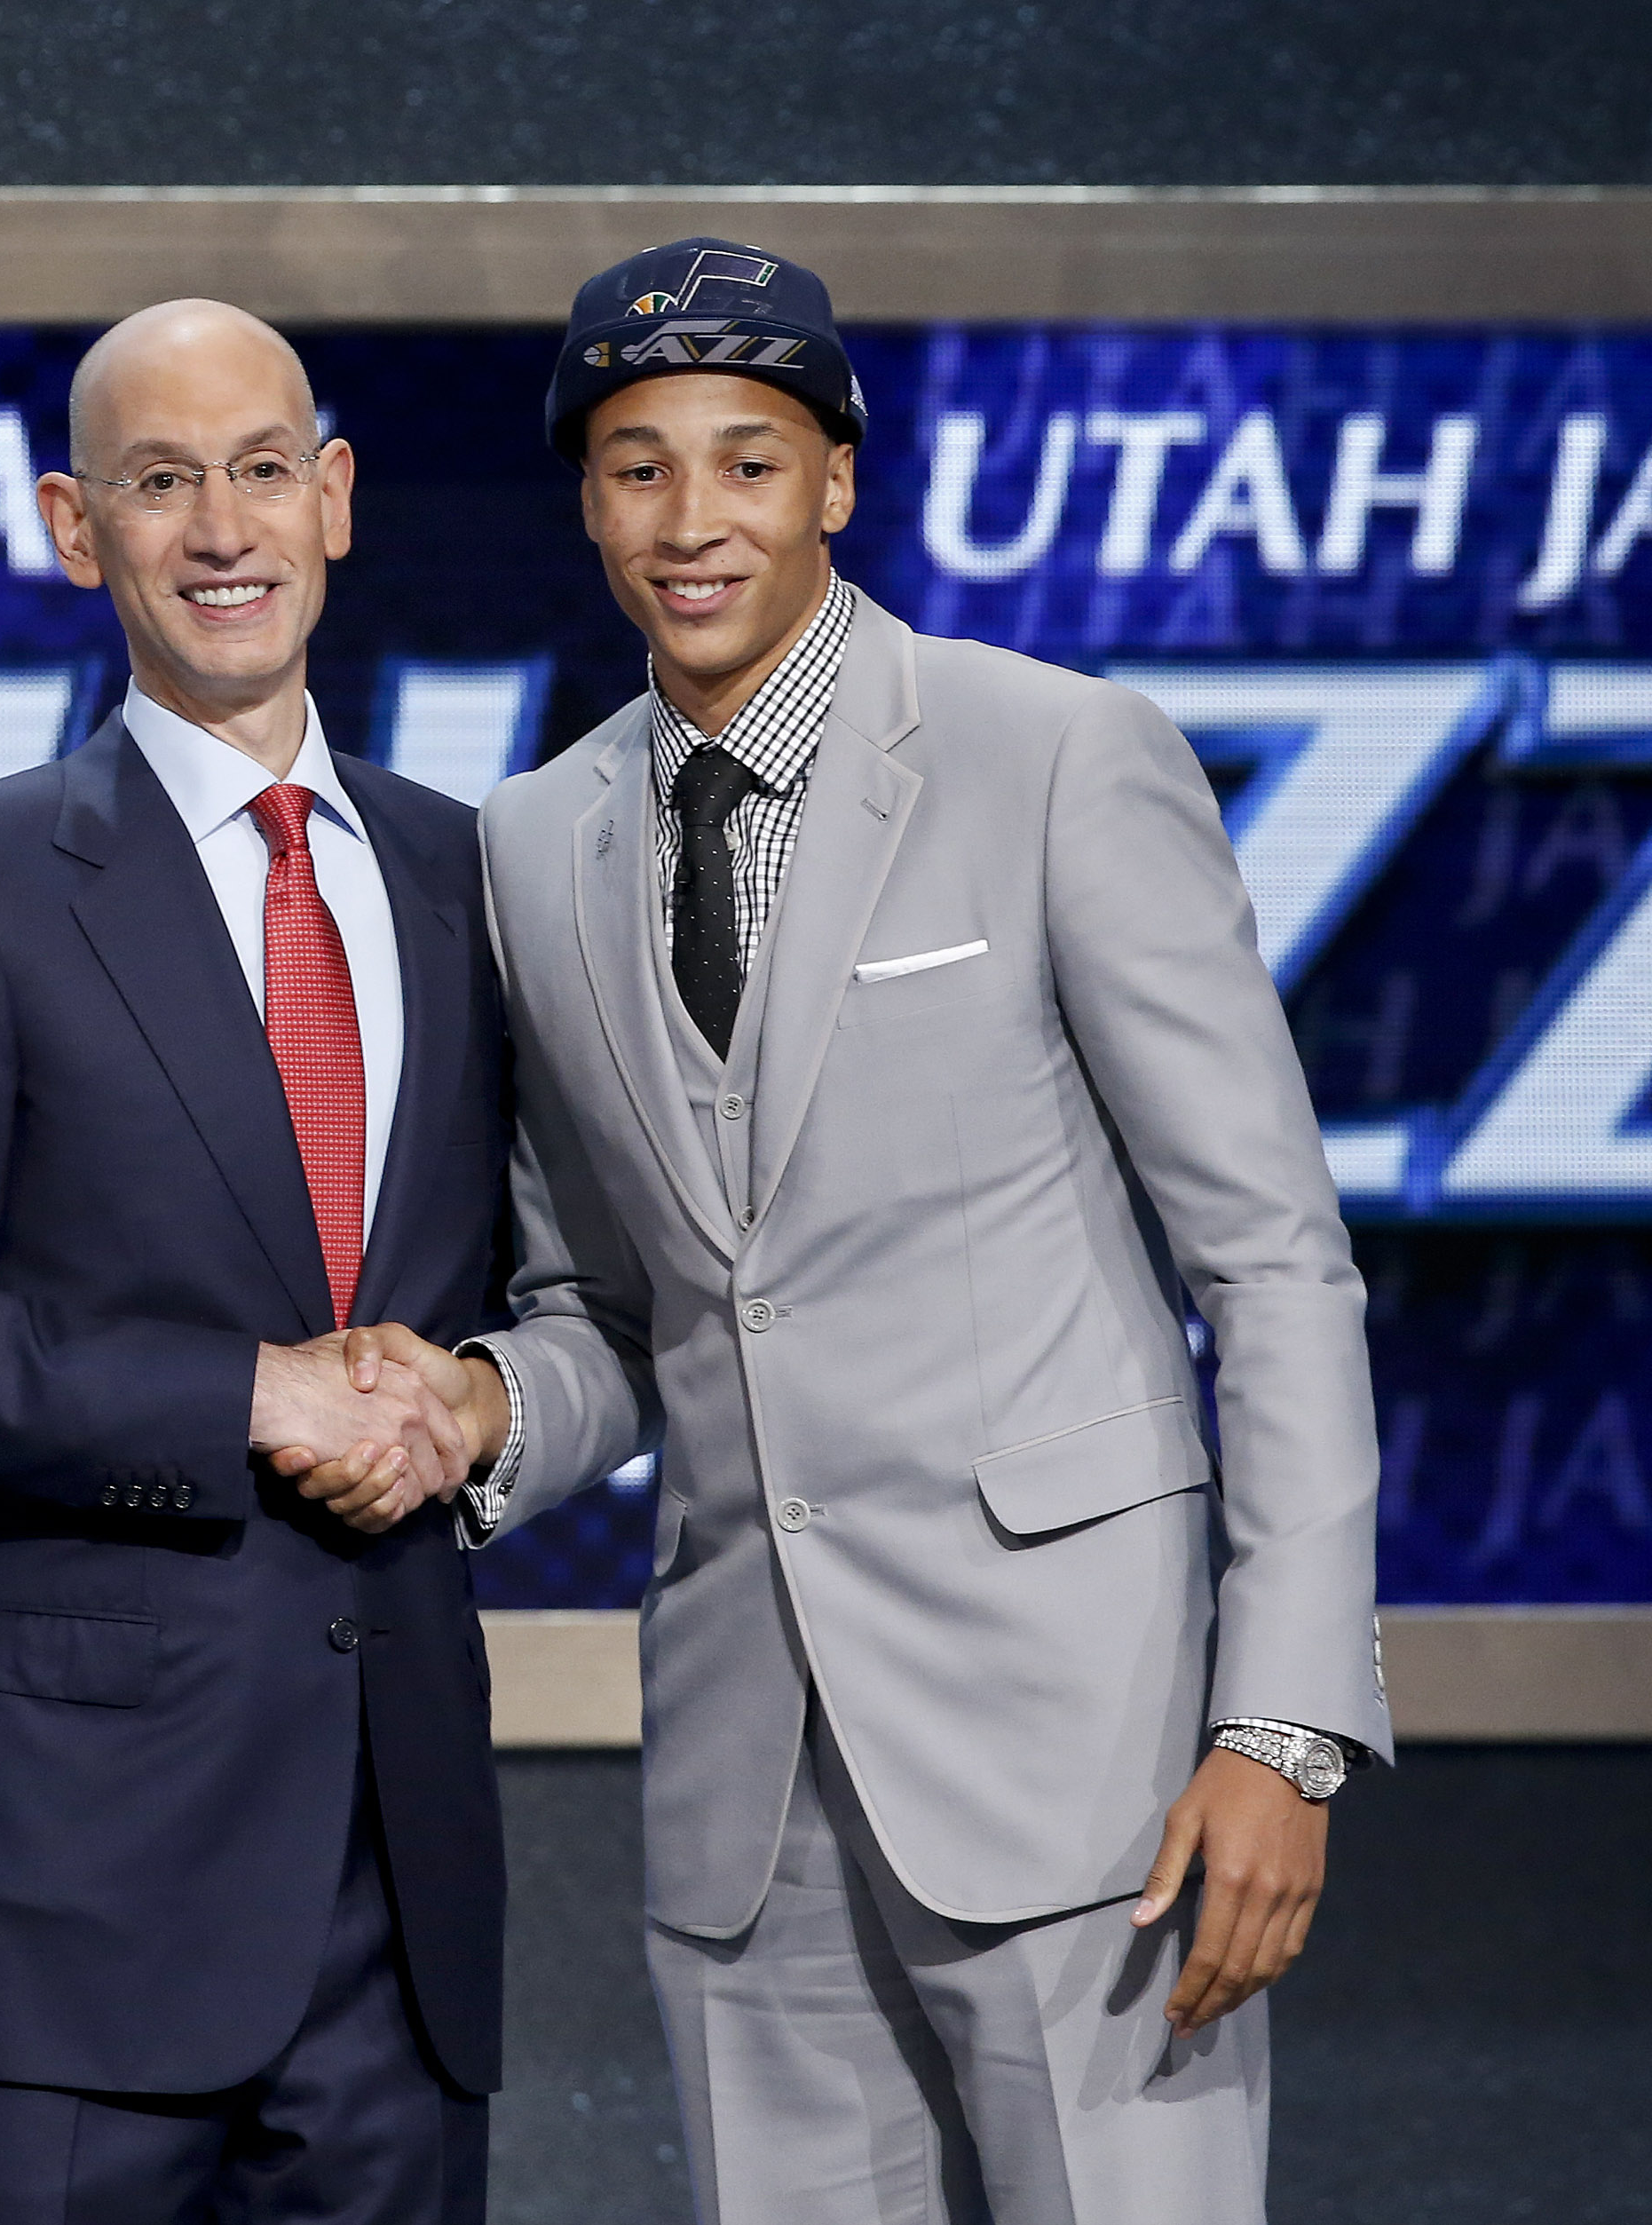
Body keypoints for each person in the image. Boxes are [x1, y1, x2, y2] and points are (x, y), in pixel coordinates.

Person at [299, 238, 1389, 2224]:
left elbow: (1272, 1265)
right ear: (584, 498)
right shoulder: (535, 841)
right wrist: (471, 1409)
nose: (687, 518)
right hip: (743, 1781)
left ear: (833, 481)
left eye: (740, 459)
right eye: (635, 467)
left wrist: (1283, 1728)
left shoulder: (1050, 752)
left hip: (1090, 1762)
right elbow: (611, 1304)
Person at [0, 298, 510, 2223]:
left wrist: (480, 1403)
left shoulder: (476, 877)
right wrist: (242, 1394)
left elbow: (570, 1294)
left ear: (332, 498)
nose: (220, 526)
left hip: (392, 1899)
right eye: (157, 480)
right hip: (63, 1907)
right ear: (71, 527)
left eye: (260, 468)